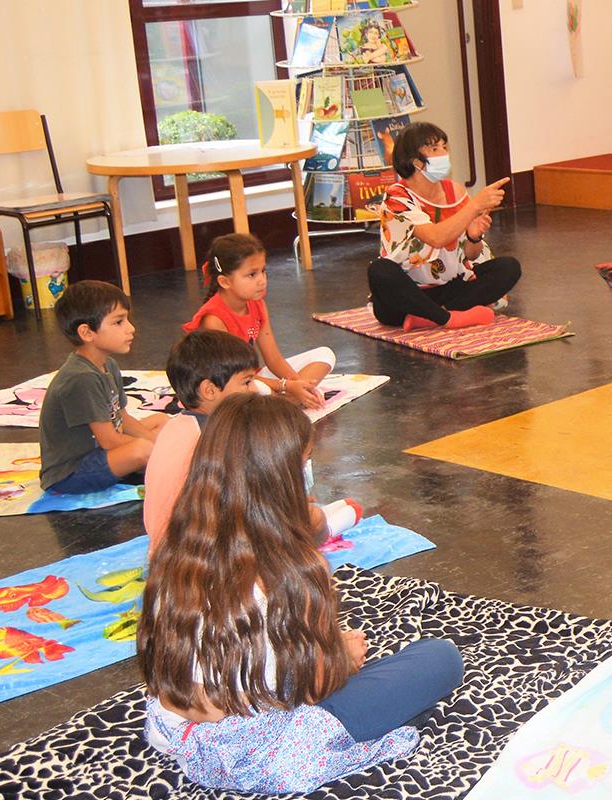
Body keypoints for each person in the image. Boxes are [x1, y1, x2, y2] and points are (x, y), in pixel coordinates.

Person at [138, 394, 462, 793]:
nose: (309, 474)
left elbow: (189, 684)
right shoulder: (293, 570)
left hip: (177, 727)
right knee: (439, 658)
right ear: (280, 476)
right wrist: (342, 657)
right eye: (304, 462)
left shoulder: (175, 551)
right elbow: (312, 686)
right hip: (269, 737)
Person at [143, 331, 362, 554]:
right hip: (200, 557)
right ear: (209, 390)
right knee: (313, 521)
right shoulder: (217, 438)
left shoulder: (178, 425)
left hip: (167, 551)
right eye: (247, 382)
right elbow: (246, 509)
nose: (255, 390)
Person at [369, 121, 518, 330]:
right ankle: (449, 318)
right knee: (379, 271)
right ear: (416, 162)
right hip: (409, 293)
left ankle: (432, 316)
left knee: (509, 267)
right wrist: (475, 205)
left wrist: (474, 237)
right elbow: (436, 237)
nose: (443, 153)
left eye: (444, 147)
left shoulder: (455, 192)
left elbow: (472, 254)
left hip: (449, 287)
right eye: (434, 149)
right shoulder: (397, 196)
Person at [39, 280, 165, 495]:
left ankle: (155, 458)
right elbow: (110, 441)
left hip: (97, 451)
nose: (131, 328)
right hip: (70, 473)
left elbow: (123, 419)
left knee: (162, 421)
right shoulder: (82, 378)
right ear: (87, 332)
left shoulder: (108, 364)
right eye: (119, 322)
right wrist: (159, 448)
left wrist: (159, 443)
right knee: (143, 449)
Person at [185, 233, 335, 409]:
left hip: (251, 378)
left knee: (325, 355)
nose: (262, 280)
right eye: (252, 275)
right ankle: (281, 404)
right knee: (258, 389)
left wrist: (299, 385)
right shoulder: (213, 320)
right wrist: (286, 386)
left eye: (263, 271)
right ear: (224, 282)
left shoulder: (257, 304)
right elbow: (232, 377)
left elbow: (273, 359)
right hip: (228, 385)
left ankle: (282, 403)